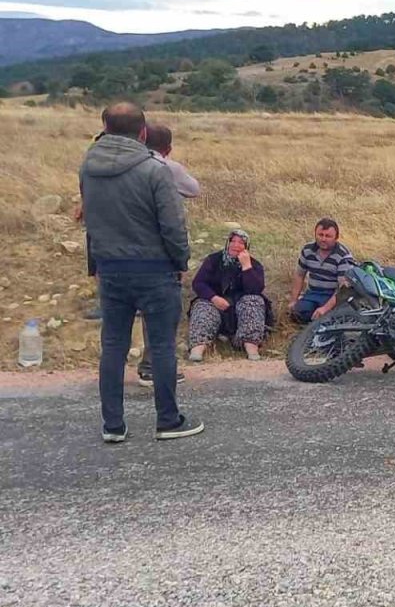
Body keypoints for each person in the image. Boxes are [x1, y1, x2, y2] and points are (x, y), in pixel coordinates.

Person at [80, 102, 203, 442]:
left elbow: (91, 221)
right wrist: (181, 262)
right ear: (144, 132)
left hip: (110, 268)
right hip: (153, 268)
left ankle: (113, 426)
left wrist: (96, 265)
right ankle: (168, 420)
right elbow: (173, 226)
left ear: (105, 127)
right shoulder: (155, 170)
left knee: (113, 346)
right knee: (162, 345)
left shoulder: (87, 166)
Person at [136, 122, 200, 385]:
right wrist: (180, 258)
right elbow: (193, 190)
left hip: (124, 250)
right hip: (158, 252)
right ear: (169, 148)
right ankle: (153, 367)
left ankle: (113, 372)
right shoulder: (166, 167)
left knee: (120, 316)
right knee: (161, 313)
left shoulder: (128, 165)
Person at [188, 229, 273, 361]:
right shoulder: (213, 260)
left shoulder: (254, 265)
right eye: (232, 241)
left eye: (240, 243)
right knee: (202, 305)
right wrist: (214, 298)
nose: (235, 245)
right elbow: (198, 283)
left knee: (254, 301)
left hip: (241, 308)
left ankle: (251, 348)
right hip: (216, 304)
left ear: (246, 247)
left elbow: (255, 289)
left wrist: (246, 267)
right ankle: (198, 349)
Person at [290, 218, 355, 323]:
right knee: (297, 314)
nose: (323, 239)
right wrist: (293, 300)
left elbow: (343, 289)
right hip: (313, 293)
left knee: (329, 319)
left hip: (333, 296)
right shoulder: (307, 250)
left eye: (328, 236)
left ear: (336, 238)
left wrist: (325, 308)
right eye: (320, 235)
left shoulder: (343, 256)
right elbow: (299, 275)